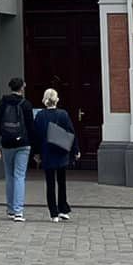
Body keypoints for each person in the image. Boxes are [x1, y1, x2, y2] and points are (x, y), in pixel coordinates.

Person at [0, 75, 34, 222]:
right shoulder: (26, 104)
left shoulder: (2, 102)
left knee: (9, 176)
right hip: (23, 144)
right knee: (20, 176)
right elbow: (31, 127)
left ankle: (10, 209)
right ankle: (18, 211)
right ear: (22, 87)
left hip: (7, 143)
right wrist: (34, 148)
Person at [32, 88, 77, 221]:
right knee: (62, 182)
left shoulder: (40, 115)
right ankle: (63, 208)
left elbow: (36, 136)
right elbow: (71, 133)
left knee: (50, 183)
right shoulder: (63, 114)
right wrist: (75, 150)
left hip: (47, 152)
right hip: (61, 151)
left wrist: (36, 153)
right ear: (57, 99)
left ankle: (53, 213)